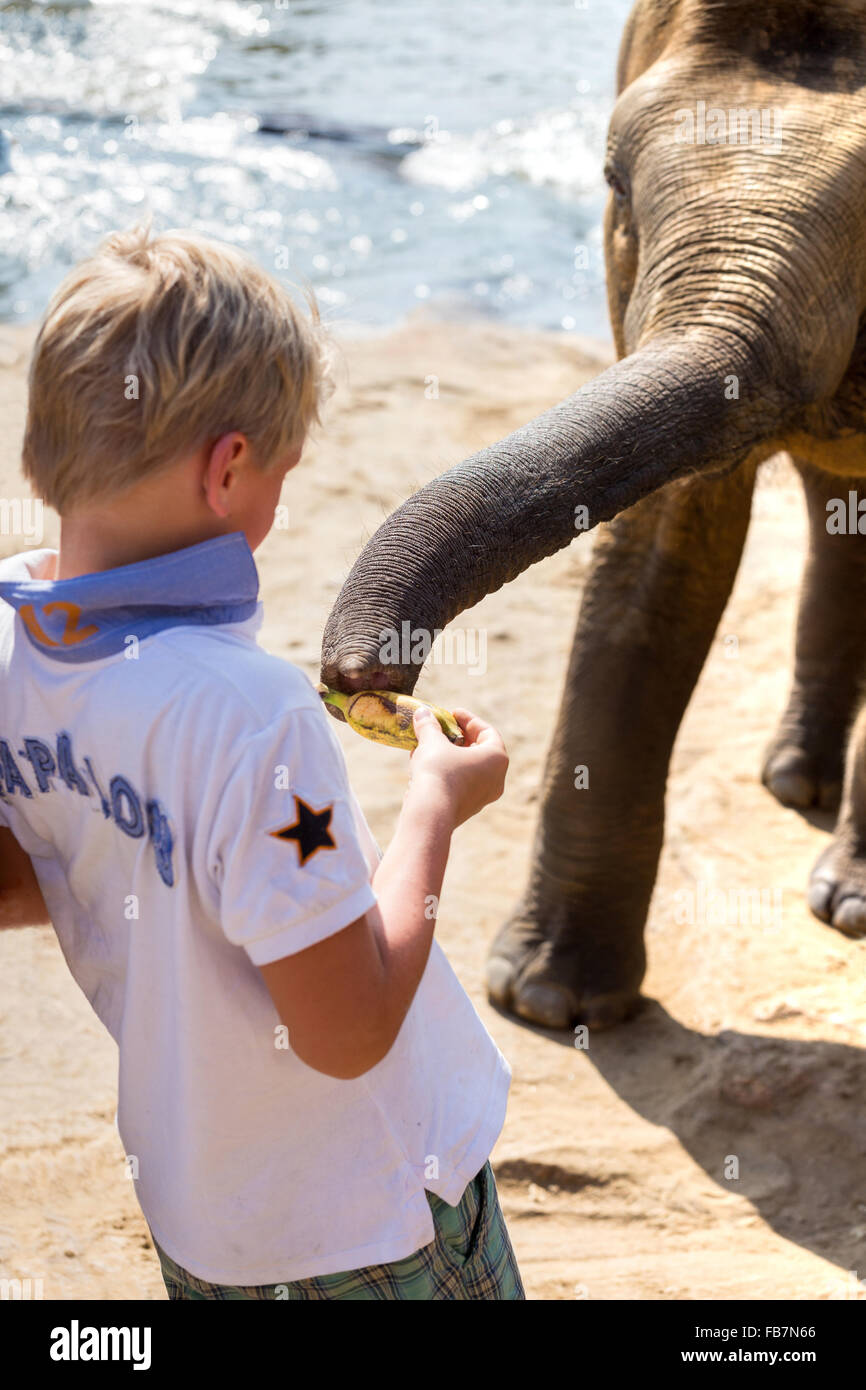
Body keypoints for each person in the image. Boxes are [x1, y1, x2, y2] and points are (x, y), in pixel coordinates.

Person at [0, 225, 524, 1300]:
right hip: (372, 1219)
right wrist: (435, 803)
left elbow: (33, 870)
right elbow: (349, 1029)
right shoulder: (252, 717)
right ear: (230, 467)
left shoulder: (13, 649)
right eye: (280, 473)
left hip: (206, 1221)